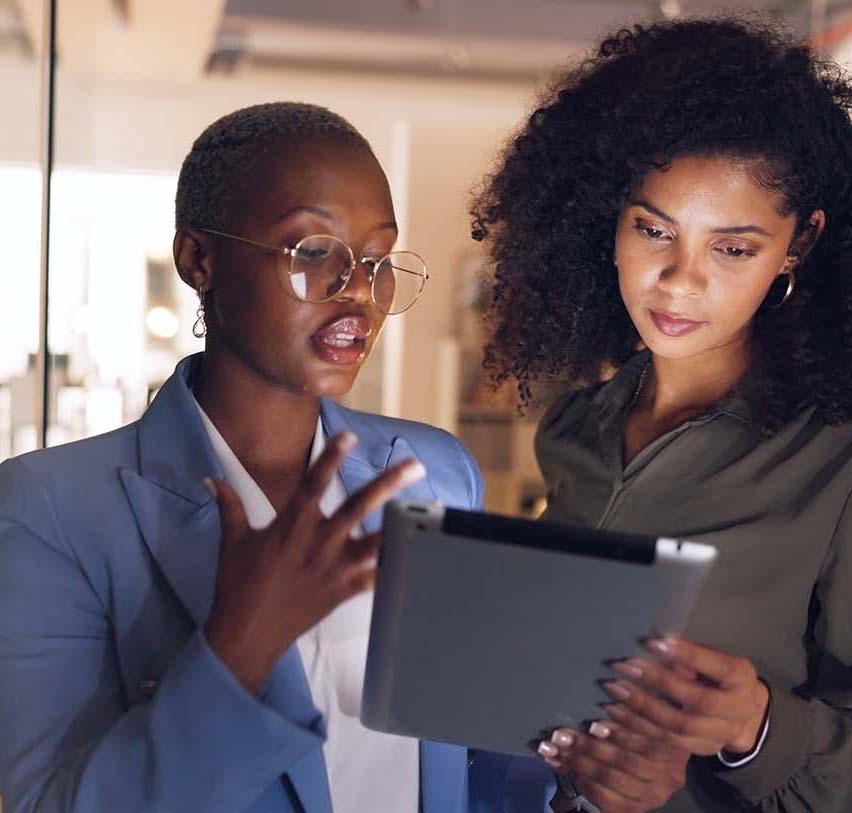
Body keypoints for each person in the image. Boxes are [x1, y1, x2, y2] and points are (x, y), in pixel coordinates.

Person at [471, 18, 852, 813]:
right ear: (606, 217)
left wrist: (754, 726)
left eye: (733, 248)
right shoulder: (575, 429)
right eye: (654, 229)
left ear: (797, 245)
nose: (679, 283)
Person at [0, 102, 554, 813]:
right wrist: (238, 647)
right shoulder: (52, 512)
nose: (358, 289)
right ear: (199, 258)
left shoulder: (436, 473)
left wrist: (572, 785)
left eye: (378, 259)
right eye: (313, 251)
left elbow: (470, 764)